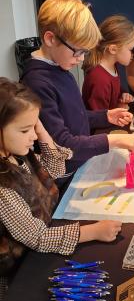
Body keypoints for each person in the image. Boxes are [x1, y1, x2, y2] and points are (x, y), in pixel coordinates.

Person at [0, 78, 123, 278]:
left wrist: (39, 128)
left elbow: (56, 167)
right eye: (25, 130)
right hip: (23, 266)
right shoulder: (3, 187)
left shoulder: (17, 154)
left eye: (34, 127)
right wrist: (93, 232)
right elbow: (37, 238)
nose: (33, 137)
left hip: (48, 229)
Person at [21, 0, 134, 183]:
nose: (81, 60)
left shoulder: (60, 68)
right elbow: (61, 144)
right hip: (61, 178)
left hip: (78, 164)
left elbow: (72, 116)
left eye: (84, 52)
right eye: (77, 51)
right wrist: (113, 140)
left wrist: (105, 116)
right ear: (50, 39)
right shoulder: (37, 83)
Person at [82, 15, 134, 111]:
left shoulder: (112, 66)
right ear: (113, 49)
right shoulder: (99, 79)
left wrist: (122, 96)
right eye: (131, 49)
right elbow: (98, 118)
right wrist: (119, 108)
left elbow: (113, 93)